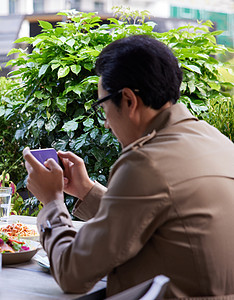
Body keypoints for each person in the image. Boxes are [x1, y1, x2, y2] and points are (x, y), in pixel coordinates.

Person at [23, 35, 234, 298]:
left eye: (103, 108)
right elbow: (154, 218)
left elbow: (72, 274)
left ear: (129, 100)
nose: (106, 124)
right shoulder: (217, 140)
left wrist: (51, 201)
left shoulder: (147, 162)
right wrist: (87, 191)